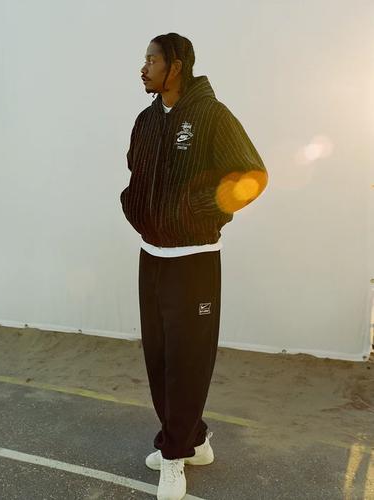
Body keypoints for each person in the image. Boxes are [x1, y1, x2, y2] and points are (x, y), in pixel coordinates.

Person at [120, 33, 268, 500]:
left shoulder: (212, 115)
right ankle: (194, 441)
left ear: (176, 65)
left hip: (195, 259)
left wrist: (196, 209)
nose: (143, 68)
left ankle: (173, 456)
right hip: (151, 256)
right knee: (159, 359)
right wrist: (133, 204)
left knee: (188, 362)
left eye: (151, 60)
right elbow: (136, 172)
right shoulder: (146, 120)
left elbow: (252, 175)